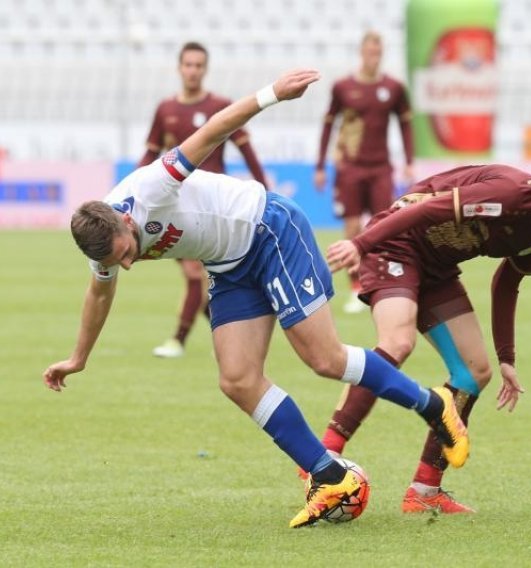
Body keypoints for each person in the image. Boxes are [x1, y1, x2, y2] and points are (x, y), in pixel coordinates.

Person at [41, 69, 469, 529]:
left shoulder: (149, 188)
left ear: (126, 221)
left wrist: (272, 95)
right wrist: (78, 357)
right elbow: (98, 295)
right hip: (229, 265)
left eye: (126, 253)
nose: (126, 265)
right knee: (237, 379)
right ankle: (329, 476)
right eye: (117, 262)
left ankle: (433, 405)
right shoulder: (101, 242)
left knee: (323, 358)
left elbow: (213, 129)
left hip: (268, 229)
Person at [319, 161, 531, 513]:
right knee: (398, 342)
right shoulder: (510, 195)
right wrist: (361, 243)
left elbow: (507, 283)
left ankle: (424, 491)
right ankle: (325, 454)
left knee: (475, 372)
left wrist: (506, 358)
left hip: (437, 268)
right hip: (396, 243)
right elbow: (428, 208)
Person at [141, 41, 268, 359]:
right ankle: (233, 339)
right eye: (188, 65)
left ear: (205, 69)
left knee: (198, 276)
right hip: (174, 206)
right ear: (179, 68)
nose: (193, 71)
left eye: (199, 65)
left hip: (213, 206)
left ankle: (178, 341)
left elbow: (246, 149)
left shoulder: (221, 106)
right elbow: (150, 154)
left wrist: (265, 188)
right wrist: (134, 188)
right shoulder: (165, 109)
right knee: (199, 279)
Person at [314, 30, 414, 314]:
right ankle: (356, 287)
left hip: (381, 167)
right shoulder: (343, 87)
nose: (374, 57)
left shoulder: (393, 88)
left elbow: (405, 125)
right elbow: (328, 125)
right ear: (362, 53)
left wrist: (408, 160)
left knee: (383, 228)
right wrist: (321, 165)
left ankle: (380, 284)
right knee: (352, 228)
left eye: (378, 53)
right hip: (350, 168)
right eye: (370, 52)